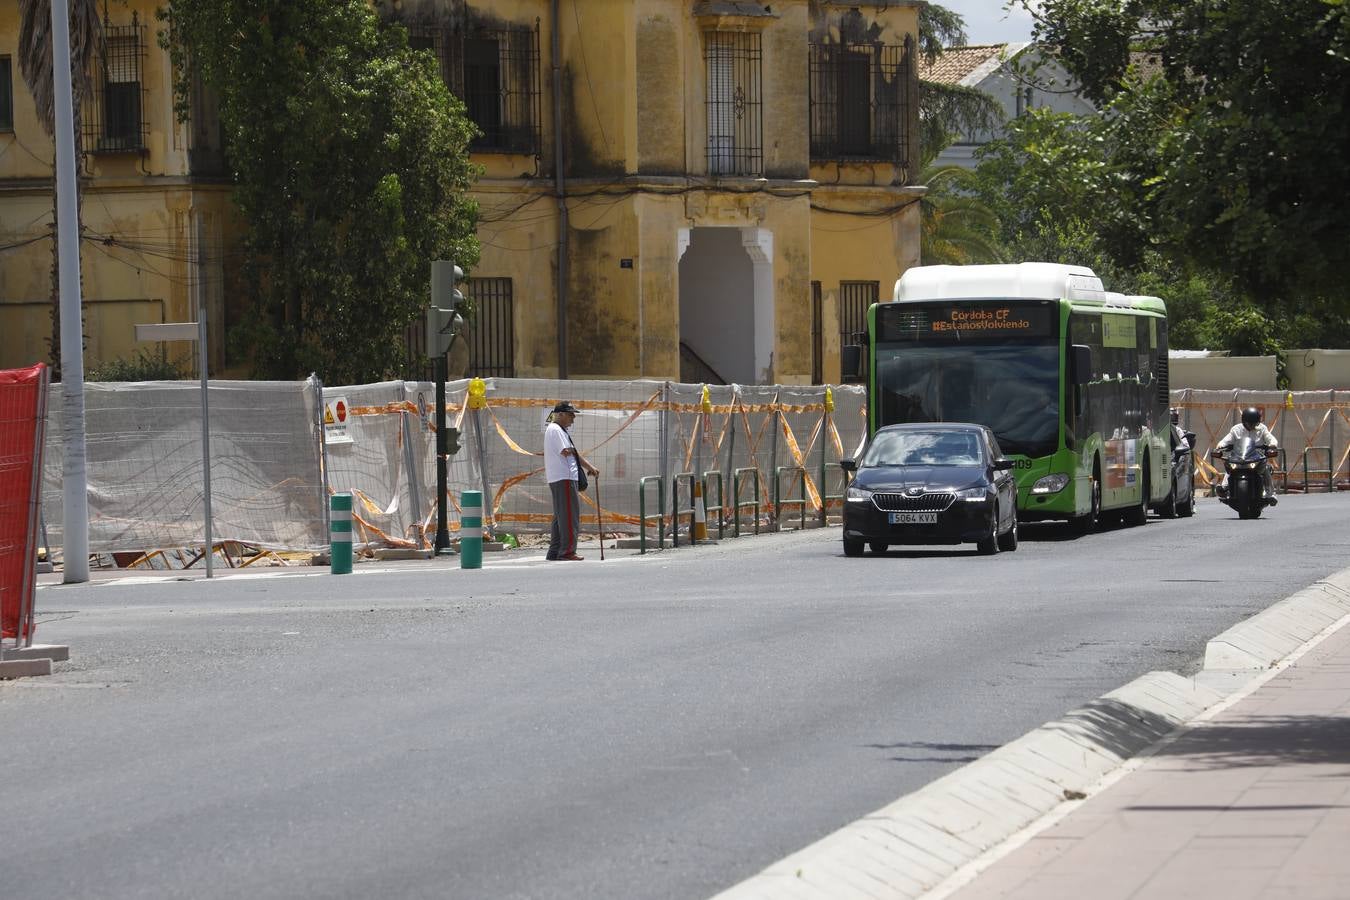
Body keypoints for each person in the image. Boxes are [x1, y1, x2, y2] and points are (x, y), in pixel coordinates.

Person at [544, 401, 599, 561]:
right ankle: (567, 551)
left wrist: (589, 466)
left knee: (560, 516)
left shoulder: (557, 430)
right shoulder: (555, 429)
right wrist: (589, 466)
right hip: (564, 477)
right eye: (570, 415)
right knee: (569, 516)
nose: (573, 418)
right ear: (559, 414)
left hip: (561, 477)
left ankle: (555, 551)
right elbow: (567, 451)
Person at [1212, 407, 1278, 504]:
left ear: (1258, 422)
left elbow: (1271, 438)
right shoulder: (1236, 429)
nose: (1251, 425)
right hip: (1238, 458)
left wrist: (1272, 444)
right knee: (1230, 466)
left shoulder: (1262, 429)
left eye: (1254, 423)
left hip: (1257, 458)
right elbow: (1226, 440)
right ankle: (1224, 488)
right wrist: (1220, 446)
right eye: (1249, 423)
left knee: (1266, 469)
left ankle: (1270, 494)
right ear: (1244, 421)